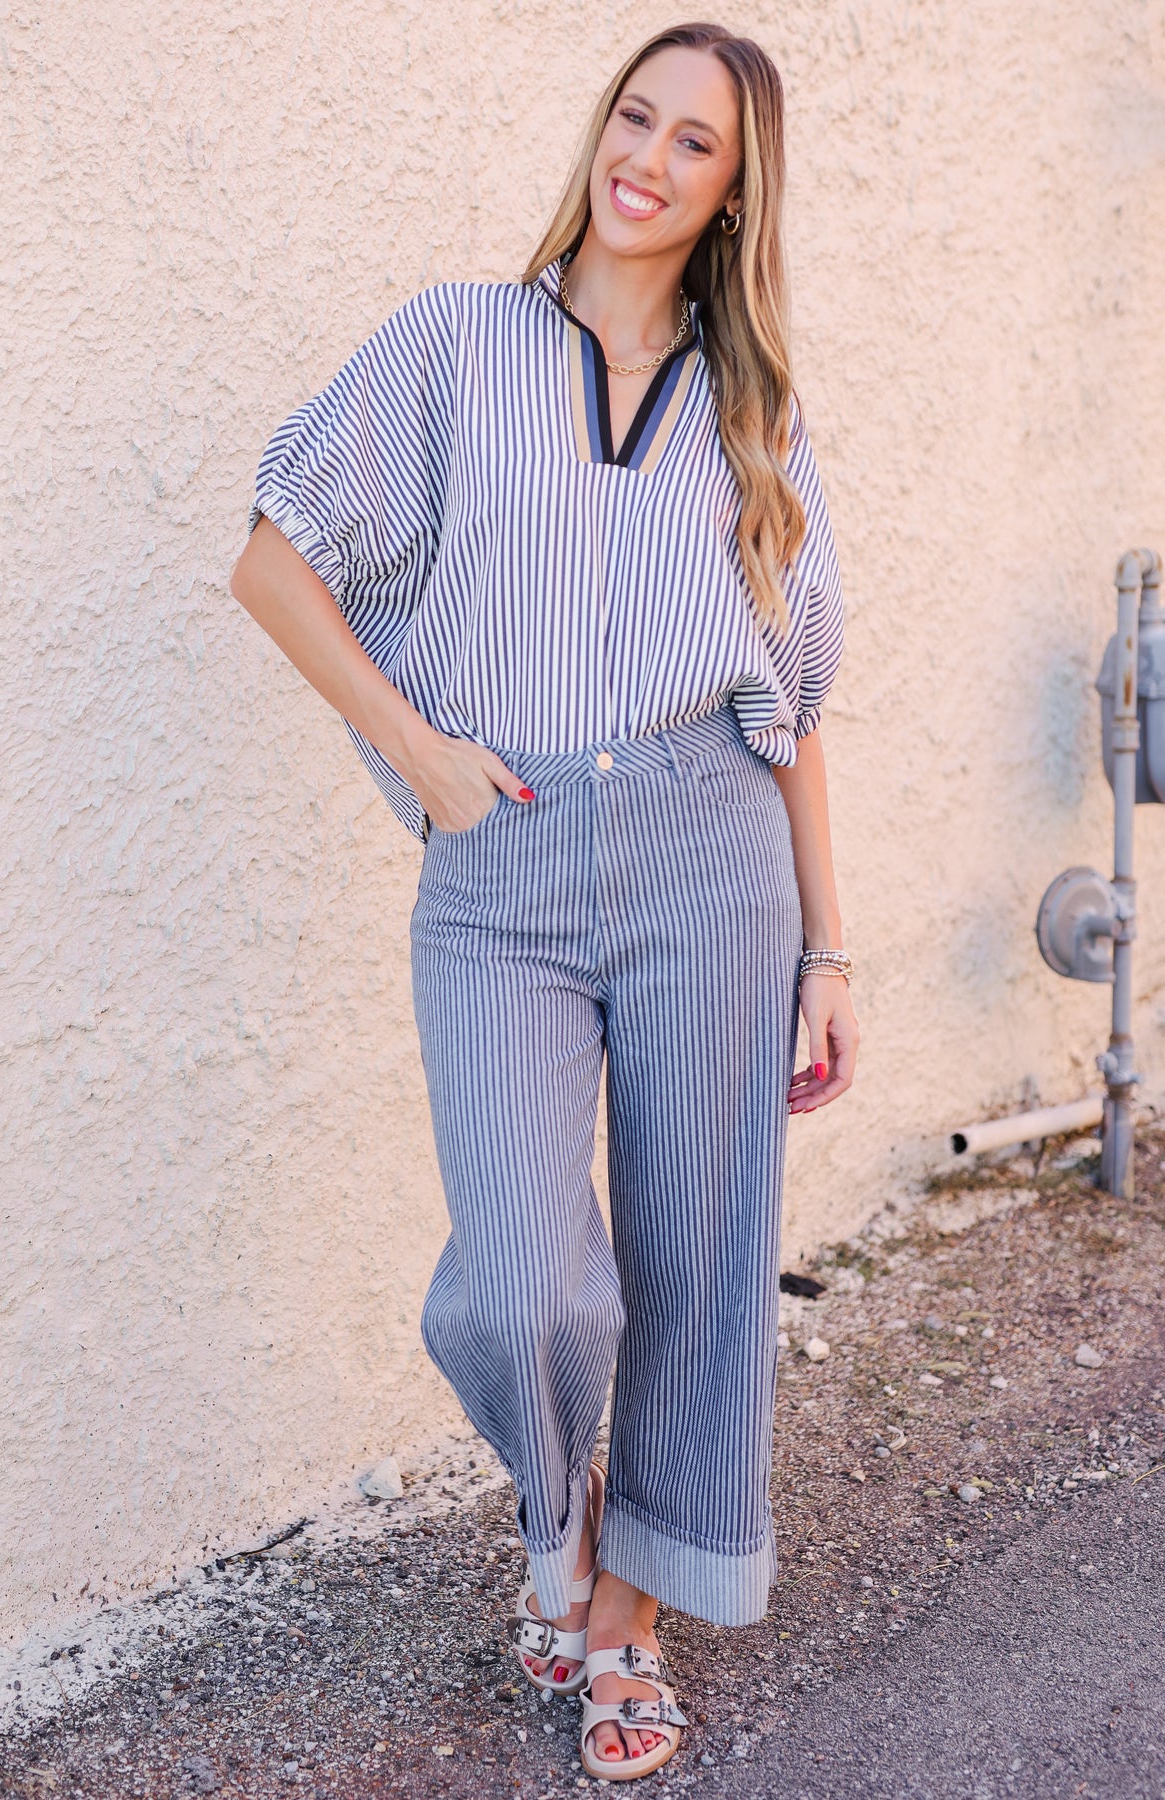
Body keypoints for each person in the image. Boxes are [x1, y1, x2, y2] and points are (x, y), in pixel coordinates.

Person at [230, 20, 859, 1782]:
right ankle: (558, 1530)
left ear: (735, 195)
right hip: (498, 858)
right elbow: (275, 560)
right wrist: (420, 752)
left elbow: (794, 698)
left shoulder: (755, 411)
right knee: (527, 1291)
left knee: (699, 1257)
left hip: (708, 847)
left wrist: (830, 945)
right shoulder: (455, 342)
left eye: (695, 144)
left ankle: (630, 1620)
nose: (647, 159)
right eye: (634, 118)